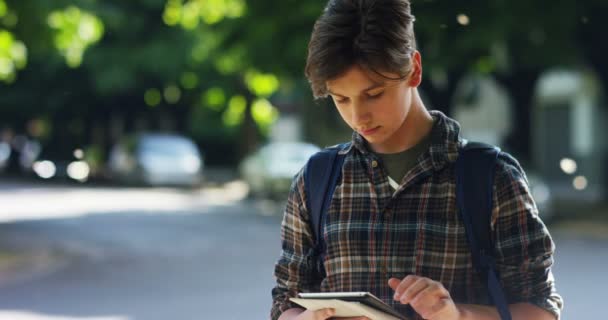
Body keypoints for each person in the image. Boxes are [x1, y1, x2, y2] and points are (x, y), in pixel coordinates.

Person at [270, 0, 563, 319]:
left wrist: (457, 315)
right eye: (341, 99)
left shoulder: (491, 177)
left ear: (414, 69)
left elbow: (540, 308)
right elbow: (287, 301)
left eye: (374, 94)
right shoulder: (316, 179)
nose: (358, 116)